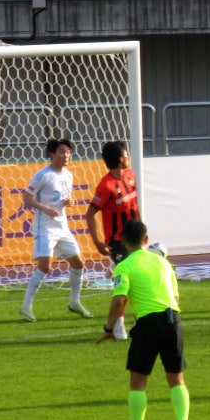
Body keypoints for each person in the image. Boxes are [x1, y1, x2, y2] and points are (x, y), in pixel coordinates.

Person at [95, 218, 192, 420]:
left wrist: (109, 329)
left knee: (138, 382)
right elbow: (176, 298)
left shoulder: (124, 266)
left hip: (148, 324)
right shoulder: (163, 263)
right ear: (146, 240)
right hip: (173, 321)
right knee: (176, 379)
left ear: (122, 241)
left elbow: (119, 301)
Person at [19, 138, 93, 322]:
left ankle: (74, 302)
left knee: (78, 263)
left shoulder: (68, 175)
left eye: (68, 152)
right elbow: (27, 197)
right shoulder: (43, 175)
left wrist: (70, 202)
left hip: (62, 227)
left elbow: (64, 199)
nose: (66, 155)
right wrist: (44, 208)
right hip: (45, 227)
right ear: (52, 155)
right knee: (45, 266)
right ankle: (26, 306)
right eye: (61, 152)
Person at [86, 140, 140, 341]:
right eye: (126, 153)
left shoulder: (131, 175)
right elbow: (90, 214)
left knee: (137, 279)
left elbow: (134, 206)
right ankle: (118, 322)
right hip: (117, 241)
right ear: (120, 158)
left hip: (136, 238)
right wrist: (97, 241)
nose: (129, 157)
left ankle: (138, 321)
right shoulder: (105, 186)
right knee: (128, 281)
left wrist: (142, 230)